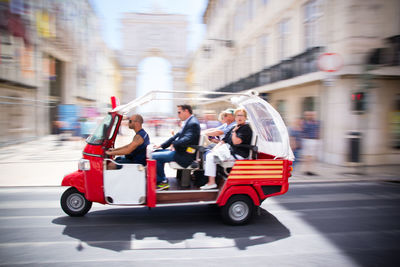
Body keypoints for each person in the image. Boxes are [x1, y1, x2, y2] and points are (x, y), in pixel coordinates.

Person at [201, 108, 253, 190]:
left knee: (210, 157)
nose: (239, 117)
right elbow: (223, 141)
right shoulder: (235, 127)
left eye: (241, 115)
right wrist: (215, 148)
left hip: (238, 154)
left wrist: (234, 132)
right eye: (237, 115)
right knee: (210, 154)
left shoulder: (245, 128)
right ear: (235, 118)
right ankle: (212, 180)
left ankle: (211, 182)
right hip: (230, 152)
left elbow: (236, 142)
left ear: (245, 117)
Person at [152, 104, 200, 190]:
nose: (178, 115)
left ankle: (163, 181)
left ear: (186, 111)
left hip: (185, 155)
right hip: (181, 151)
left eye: (179, 112)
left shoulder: (193, 123)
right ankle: (160, 179)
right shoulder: (189, 121)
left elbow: (187, 139)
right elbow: (176, 136)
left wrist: (174, 144)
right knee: (155, 152)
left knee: (154, 157)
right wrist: (162, 145)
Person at [301, 111, 320, 175]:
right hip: (306, 140)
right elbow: (302, 131)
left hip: (314, 141)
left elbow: (318, 131)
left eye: (311, 115)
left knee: (312, 157)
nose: (310, 116)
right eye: (308, 115)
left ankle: (311, 170)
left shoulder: (317, 122)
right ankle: (306, 170)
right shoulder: (304, 123)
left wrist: (318, 140)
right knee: (306, 157)